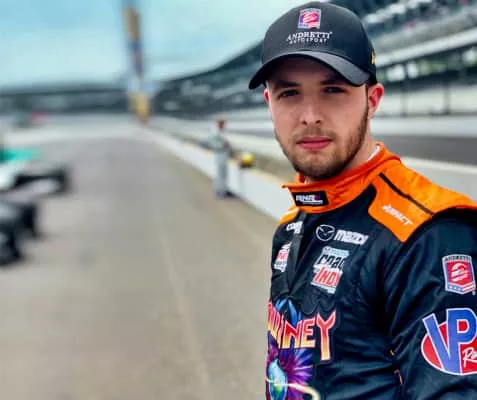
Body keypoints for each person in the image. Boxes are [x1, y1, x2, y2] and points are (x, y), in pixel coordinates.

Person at [248, 2, 477, 399]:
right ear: (270, 103)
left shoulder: (427, 235)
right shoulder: (293, 221)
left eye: (333, 90)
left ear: (372, 99)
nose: (310, 115)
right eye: (289, 93)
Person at [209, 118, 231, 197]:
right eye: (223, 124)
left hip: (224, 156)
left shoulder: (222, 132)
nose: (224, 125)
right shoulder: (215, 133)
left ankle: (224, 191)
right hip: (219, 156)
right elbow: (213, 144)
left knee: (224, 175)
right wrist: (223, 144)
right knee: (219, 175)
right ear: (219, 124)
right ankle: (218, 192)